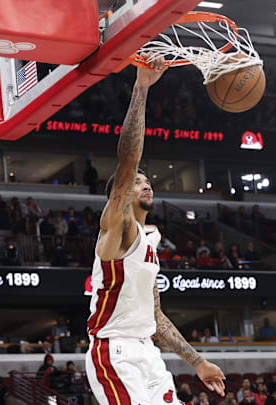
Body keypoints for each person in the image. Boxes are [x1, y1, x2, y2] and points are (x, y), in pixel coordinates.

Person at [85, 54, 224, 405]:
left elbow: (156, 316)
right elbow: (128, 161)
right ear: (120, 194)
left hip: (147, 355)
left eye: (148, 181)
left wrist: (198, 361)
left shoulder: (150, 241)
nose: (145, 184)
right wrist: (141, 89)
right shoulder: (117, 230)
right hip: (114, 354)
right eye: (136, 183)